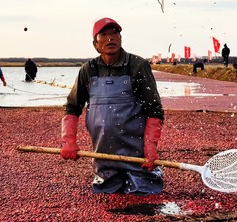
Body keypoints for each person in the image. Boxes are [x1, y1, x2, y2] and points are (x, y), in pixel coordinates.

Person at [61, 17, 165, 195]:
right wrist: (68, 141)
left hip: (137, 155)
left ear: (121, 38)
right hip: (103, 156)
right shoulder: (88, 70)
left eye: (115, 33)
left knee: (144, 195)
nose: (111, 38)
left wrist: (150, 146)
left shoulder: (137, 65)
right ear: (95, 44)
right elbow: (72, 108)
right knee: (106, 195)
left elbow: (154, 110)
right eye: (104, 34)